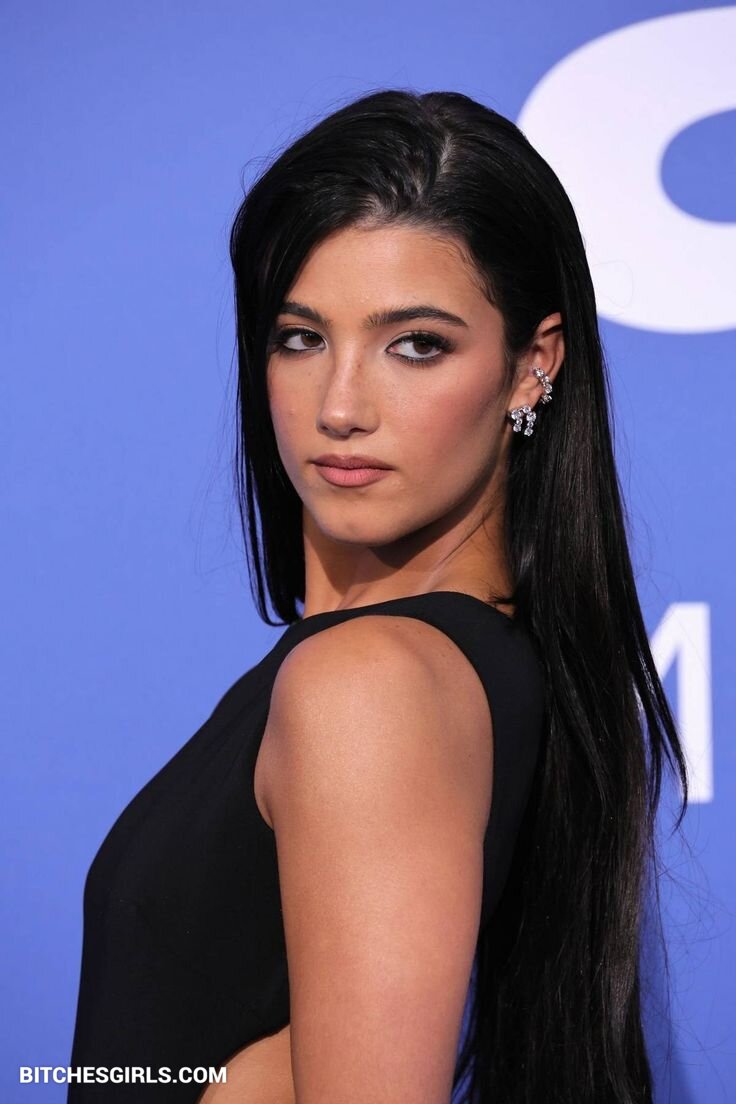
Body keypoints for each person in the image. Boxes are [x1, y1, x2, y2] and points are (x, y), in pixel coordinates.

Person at [68, 89, 689, 1104]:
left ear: (531, 368)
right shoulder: (448, 670)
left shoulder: (369, 685)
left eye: (416, 345)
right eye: (300, 338)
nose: (341, 406)